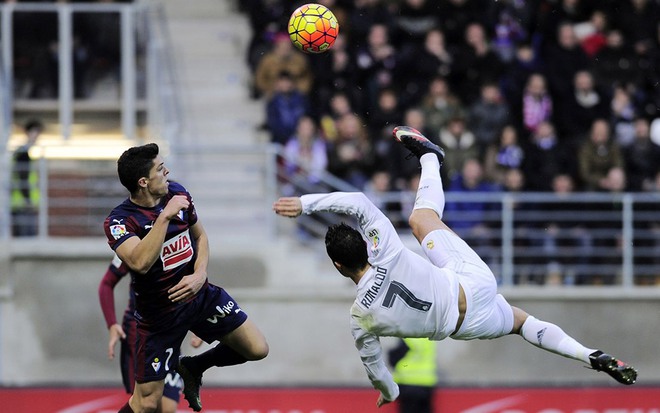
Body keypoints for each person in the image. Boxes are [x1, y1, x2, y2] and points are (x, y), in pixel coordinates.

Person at [273, 126, 637, 407]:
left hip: (467, 326)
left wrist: (390, 391)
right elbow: (357, 201)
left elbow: (376, 368)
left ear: (337, 266)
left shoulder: (360, 317)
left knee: (522, 323)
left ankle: (587, 354)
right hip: (469, 284)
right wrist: (305, 203)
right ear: (366, 247)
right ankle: (430, 158)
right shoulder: (385, 251)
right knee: (420, 218)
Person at [104, 143, 268, 413]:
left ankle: (194, 366)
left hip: (200, 297)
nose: (166, 171)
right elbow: (140, 263)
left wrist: (200, 274)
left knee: (257, 348)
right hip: (159, 318)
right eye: (160, 168)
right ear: (143, 182)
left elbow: (201, 237)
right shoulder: (120, 221)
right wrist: (164, 217)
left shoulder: (178, 192)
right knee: (146, 403)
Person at [98, 255, 204, 413]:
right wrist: (112, 324)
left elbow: (195, 283)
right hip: (140, 334)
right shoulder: (133, 243)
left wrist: (200, 321)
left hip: (170, 332)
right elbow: (107, 283)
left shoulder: (182, 236)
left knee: (167, 408)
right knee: (146, 404)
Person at [387, 338, 438, 413]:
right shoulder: (428, 336)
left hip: (408, 382)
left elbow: (394, 359)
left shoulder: (408, 336)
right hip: (426, 383)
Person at [11, 119, 43, 236]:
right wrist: (28, 200)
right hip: (23, 204)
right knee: (26, 237)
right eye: (36, 132)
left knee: (23, 237)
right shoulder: (23, 154)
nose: (37, 137)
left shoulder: (21, 153)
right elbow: (22, 178)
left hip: (20, 203)